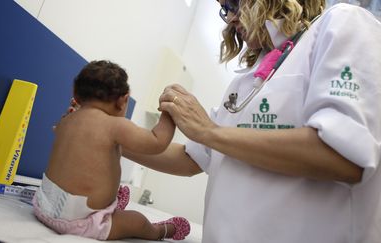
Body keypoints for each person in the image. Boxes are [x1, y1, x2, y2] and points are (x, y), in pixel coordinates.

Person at [122, 1, 381, 243]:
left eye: (234, 4)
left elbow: (341, 155)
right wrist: (109, 137)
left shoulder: (344, 23)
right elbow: (193, 158)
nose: (231, 18)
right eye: (224, 9)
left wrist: (208, 131)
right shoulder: (246, 81)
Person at [32, 60, 190, 241]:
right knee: (136, 222)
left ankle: (109, 202)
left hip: (44, 205)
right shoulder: (115, 125)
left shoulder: (67, 119)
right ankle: (162, 231)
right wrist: (169, 111)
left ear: (75, 93)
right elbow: (157, 142)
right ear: (123, 101)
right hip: (80, 222)